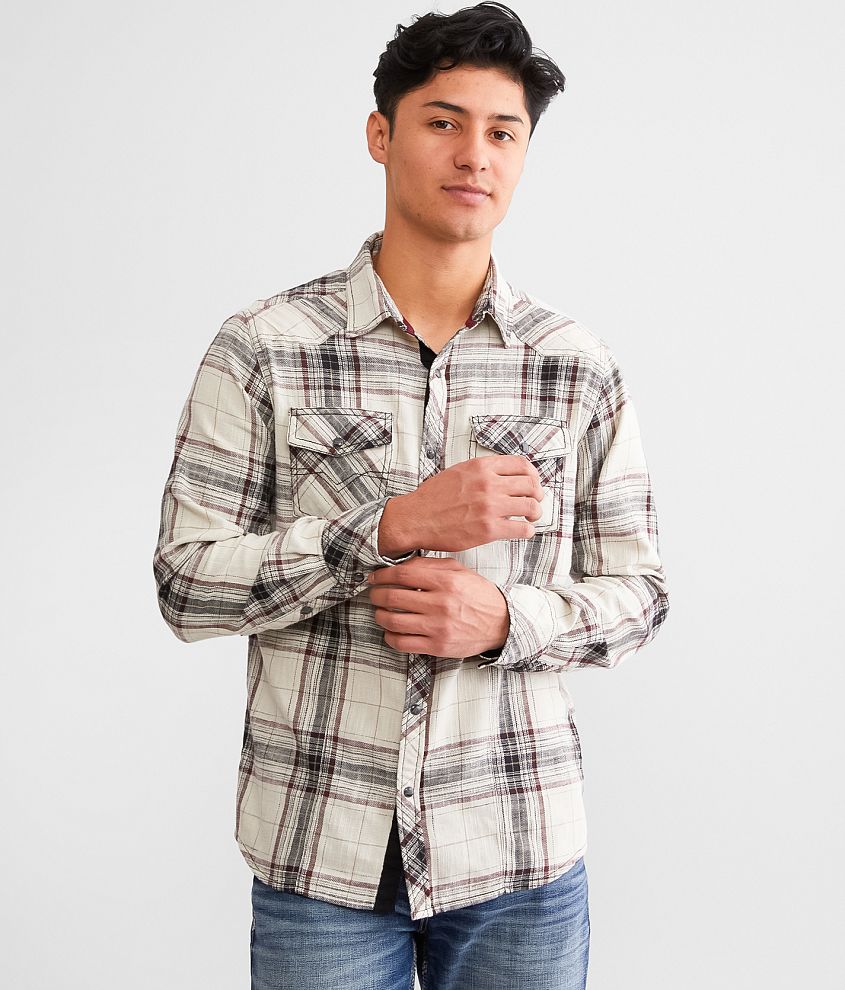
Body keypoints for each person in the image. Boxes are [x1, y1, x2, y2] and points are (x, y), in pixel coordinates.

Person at [152, 3, 670, 987]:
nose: (474, 153)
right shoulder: (264, 347)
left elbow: (639, 594)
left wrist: (504, 621)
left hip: (518, 850)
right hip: (321, 855)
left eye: (502, 132)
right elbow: (186, 583)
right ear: (379, 135)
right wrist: (384, 528)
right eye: (442, 121)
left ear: (522, 156)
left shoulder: (574, 367)